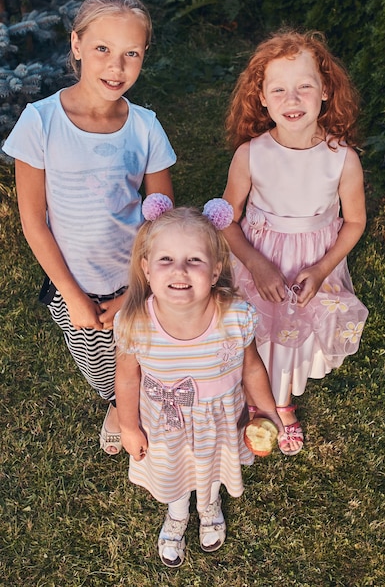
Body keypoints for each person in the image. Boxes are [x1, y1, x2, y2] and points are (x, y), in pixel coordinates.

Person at [2, 0, 176, 455]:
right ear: (76, 45)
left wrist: (136, 290)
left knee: (142, 353)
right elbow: (34, 221)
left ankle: (138, 405)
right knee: (99, 366)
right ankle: (116, 405)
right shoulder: (40, 122)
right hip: (75, 284)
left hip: (139, 279)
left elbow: (162, 223)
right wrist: (74, 296)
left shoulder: (145, 127)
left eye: (131, 54)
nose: (116, 68)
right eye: (102, 49)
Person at [114, 194, 284, 568]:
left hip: (217, 421)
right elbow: (126, 378)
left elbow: (251, 367)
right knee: (175, 473)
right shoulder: (135, 323)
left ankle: (208, 506)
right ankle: (177, 513)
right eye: (166, 260)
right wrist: (128, 426)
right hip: (165, 424)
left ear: (215, 268)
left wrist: (268, 410)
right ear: (146, 268)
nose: (180, 270)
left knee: (210, 470)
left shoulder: (236, 318)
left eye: (194, 260)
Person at [222, 29, 368, 456]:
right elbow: (225, 220)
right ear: (262, 98)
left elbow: (354, 221)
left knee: (295, 333)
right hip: (260, 258)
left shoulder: (343, 158)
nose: (293, 99)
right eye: (279, 89)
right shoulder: (251, 154)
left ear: (325, 91)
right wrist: (255, 264)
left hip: (312, 262)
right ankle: (253, 398)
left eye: (305, 87)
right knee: (257, 329)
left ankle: (280, 402)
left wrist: (322, 270)